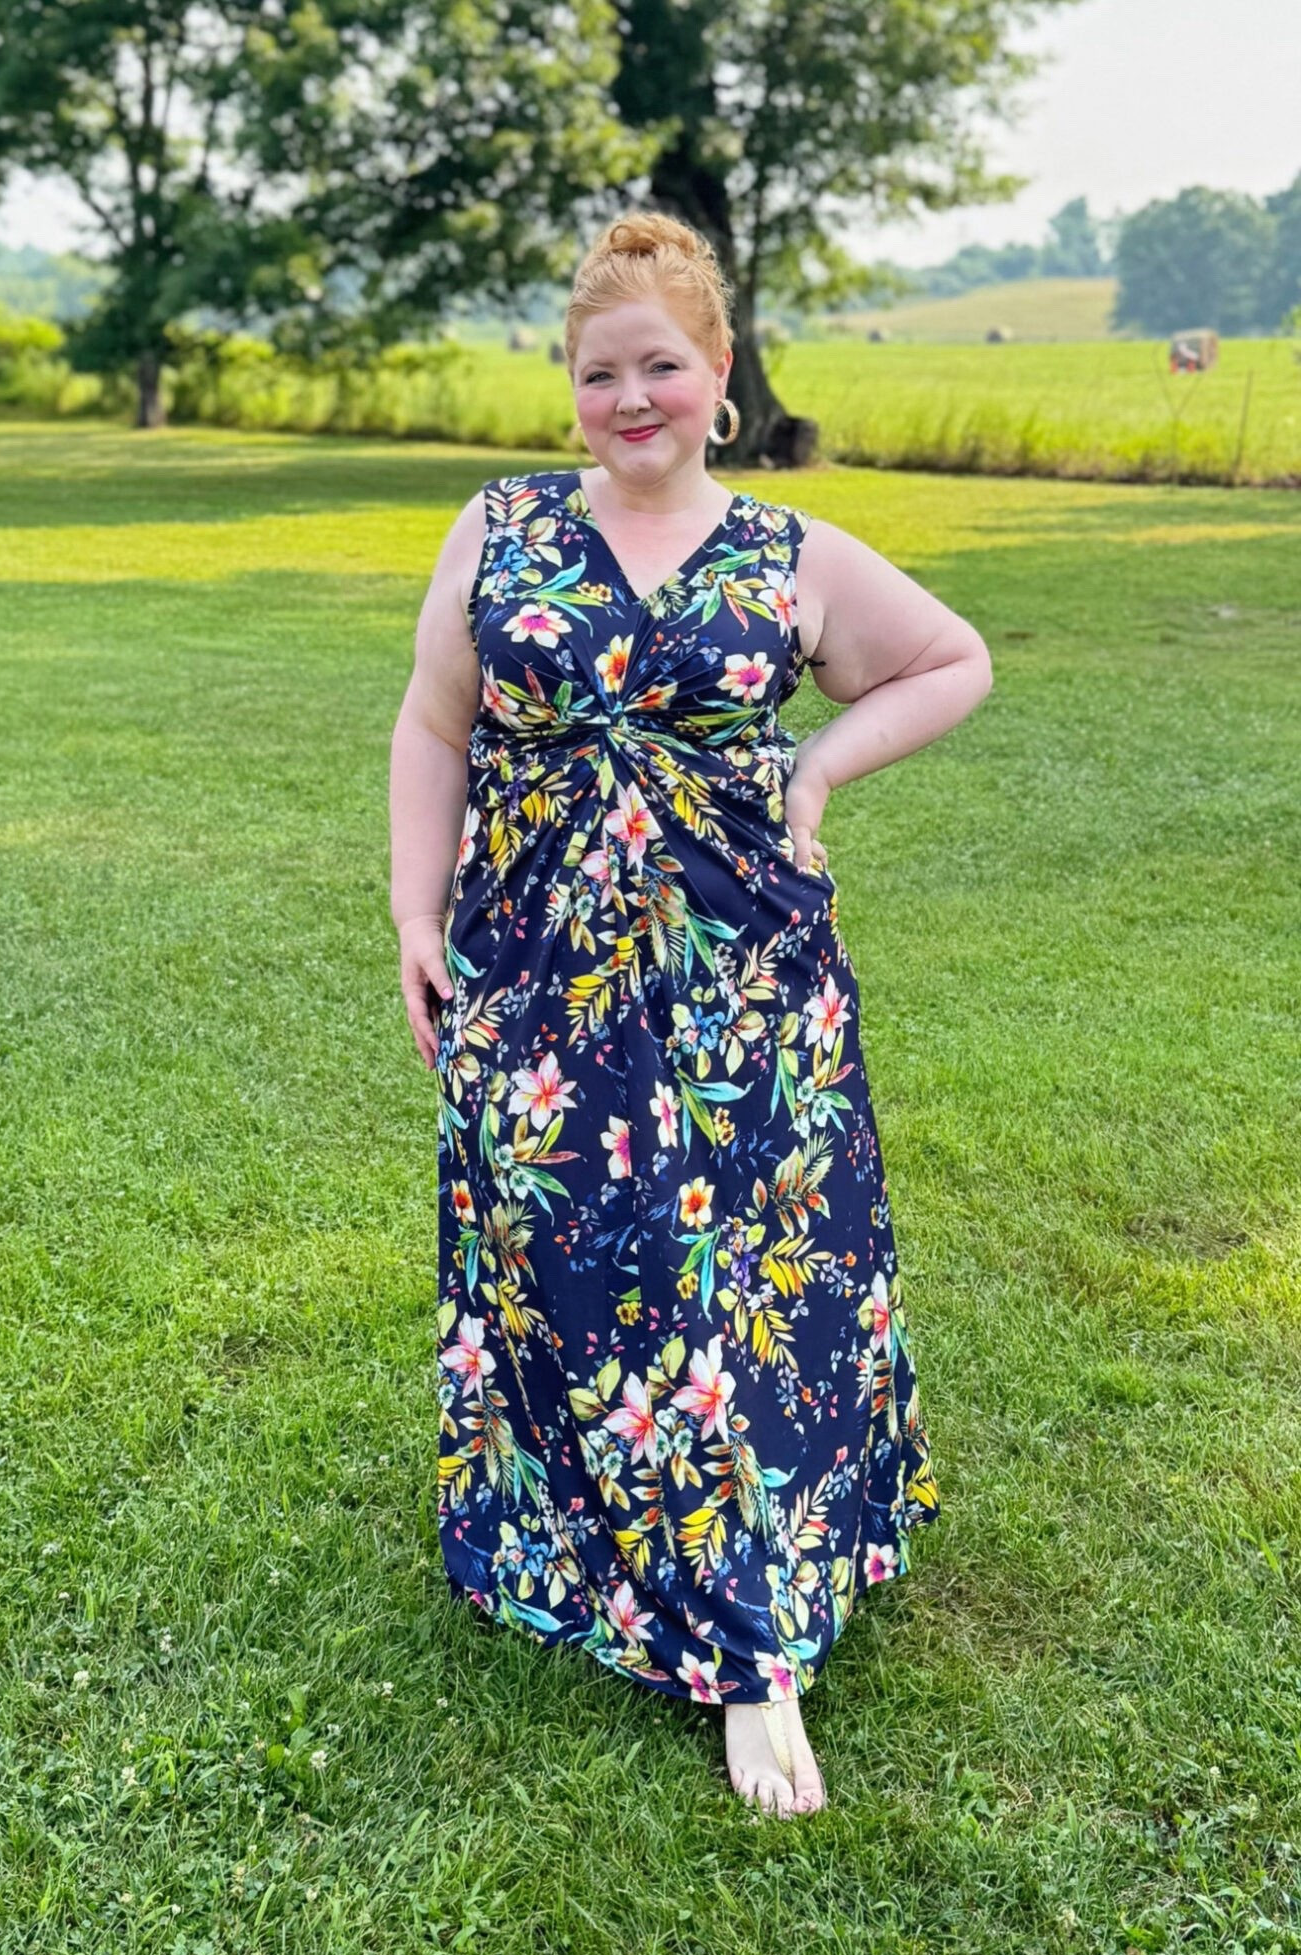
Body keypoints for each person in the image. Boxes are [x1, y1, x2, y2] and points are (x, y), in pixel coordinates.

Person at [390, 210, 992, 1820]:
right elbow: (433, 726)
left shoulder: (789, 551)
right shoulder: (500, 526)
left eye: (662, 365)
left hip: (741, 978)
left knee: (735, 1283)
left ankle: (750, 1645)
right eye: (601, 373)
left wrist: (815, 766)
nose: (631, 397)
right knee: (569, 1257)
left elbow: (949, 662)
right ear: (570, 386)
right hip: (533, 964)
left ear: (719, 374)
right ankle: (573, 1537)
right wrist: (409, 910)